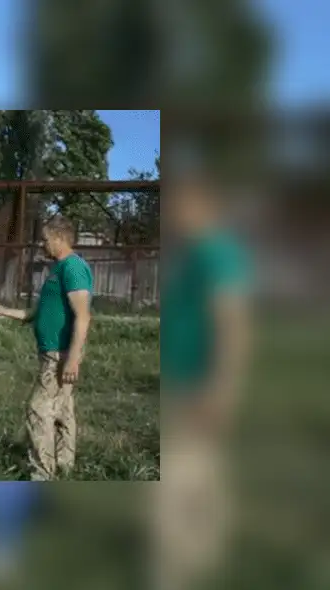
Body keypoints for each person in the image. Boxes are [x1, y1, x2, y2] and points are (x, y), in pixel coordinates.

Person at [154, 175, 251, 590]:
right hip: (182, 378)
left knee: (179, 478)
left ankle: (177, 566)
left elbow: (233, 324)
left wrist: (222, 386)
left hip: (198, 383)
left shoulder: (218, 253)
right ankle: (206, 555)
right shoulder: (193, 254)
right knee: (201, 473)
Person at [0, 215, 93, 481]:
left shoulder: (73, 268)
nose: (42, 244)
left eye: (45, 239)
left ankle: (43, 472)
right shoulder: (56, 270)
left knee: (38, 409)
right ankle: (65, 465)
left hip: (61, 354)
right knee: (62, 409)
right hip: (52, 352)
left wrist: (72, 359)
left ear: (59, 238)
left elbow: (83, 316)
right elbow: (34, 313)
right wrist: (2, 311)